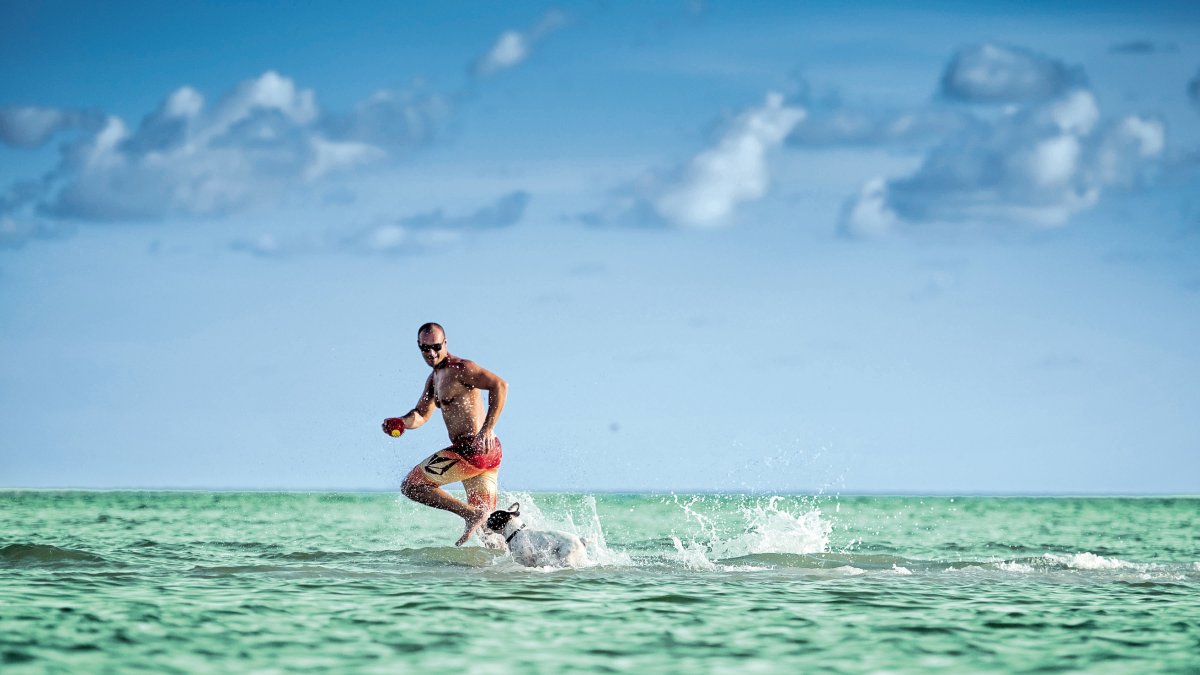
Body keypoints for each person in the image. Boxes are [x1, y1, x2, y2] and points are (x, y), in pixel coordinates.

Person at [382, 323, 508, 546]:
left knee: (412, 486)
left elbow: (499, 385)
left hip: (473, 449)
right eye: (425, 348)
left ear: (445, 343)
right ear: (419, 347)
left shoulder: (461, 368)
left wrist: (488, 428)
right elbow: (421, 414)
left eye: (436, 346)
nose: (431, 353)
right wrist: (401, 423)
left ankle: (470, 514)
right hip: (486, 455)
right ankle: (529, 559)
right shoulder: (434, 379)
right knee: (489, 532)